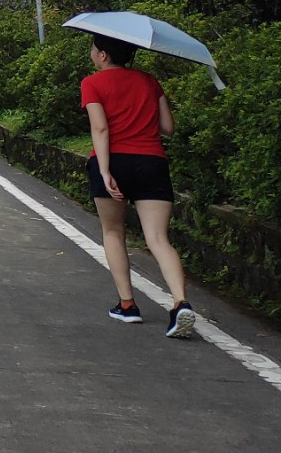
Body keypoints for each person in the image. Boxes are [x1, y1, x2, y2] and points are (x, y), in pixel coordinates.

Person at [83, 34, 200, 338]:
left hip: (114, 161)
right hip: (152, 161)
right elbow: (168, 128)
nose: (92, 53)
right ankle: (180, 303)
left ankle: (128, 305)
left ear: (104, 55)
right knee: (159, 239)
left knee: (113, 231)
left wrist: (106, 170)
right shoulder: (149, 81)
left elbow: (100, 128)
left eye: (94, 49)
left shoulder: (92, 84)